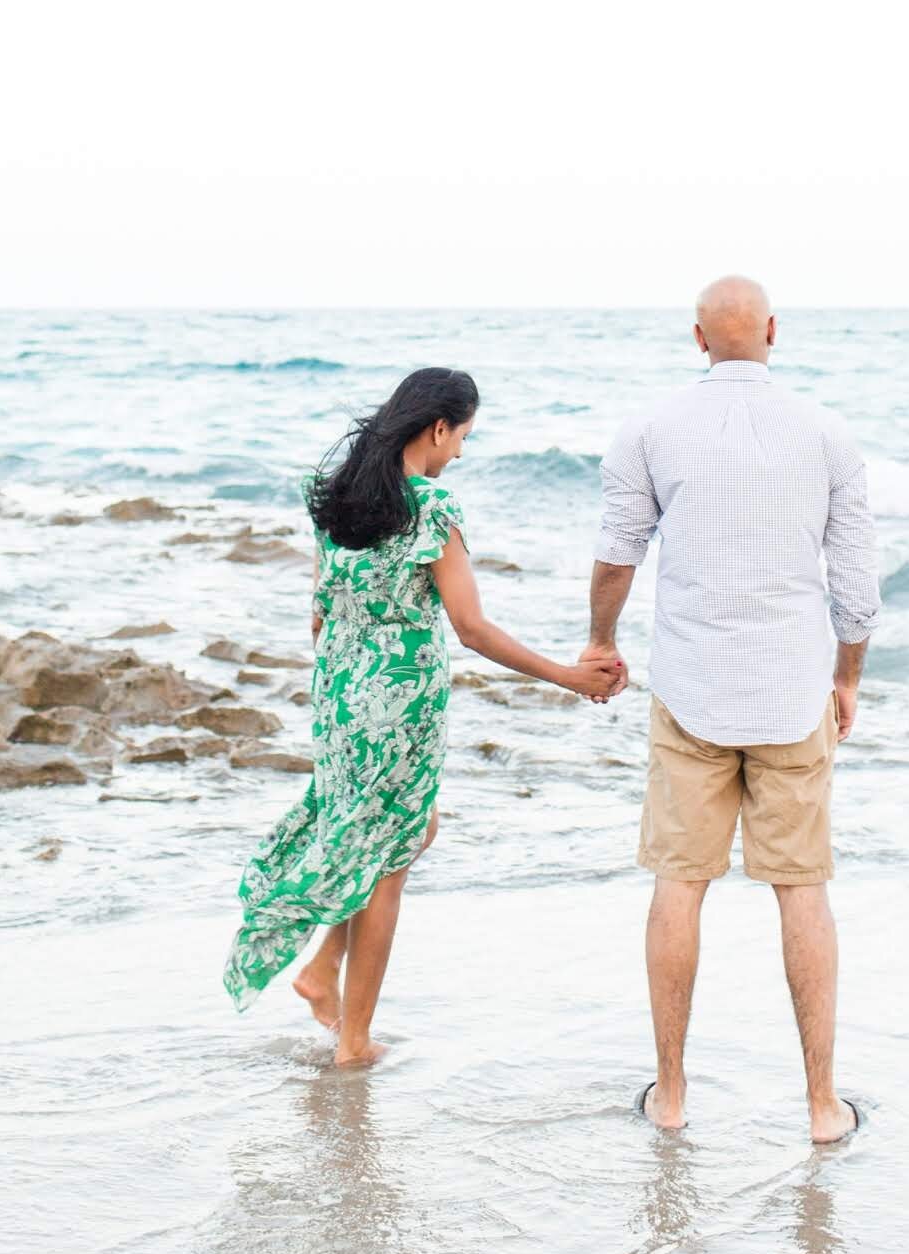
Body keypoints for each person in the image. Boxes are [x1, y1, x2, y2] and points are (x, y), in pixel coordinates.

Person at [222, 366, 620, 1062]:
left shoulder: (337, 501)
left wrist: (349, 674)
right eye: (461, 437)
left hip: (341, 695)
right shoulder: (431, 508)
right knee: (390, 859)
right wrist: (565, 676)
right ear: (437, 428)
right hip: (401, 705)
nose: (459, 453)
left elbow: (318, 617)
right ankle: (354, 1041)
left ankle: (320, 973)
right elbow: (470, 627)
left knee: (400, 831)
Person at [582, 277, 881, 1143]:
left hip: (692, 694)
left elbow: (616, 554)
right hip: (792, 695)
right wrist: (848, 677)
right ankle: (824, 1107)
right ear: (774, 333)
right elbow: (857, 588)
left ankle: (670, 1097)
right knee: (803, 895)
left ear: (698, 338)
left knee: (680, 887)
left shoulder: (649, 429)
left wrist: (600, 641)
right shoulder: (826, 433)